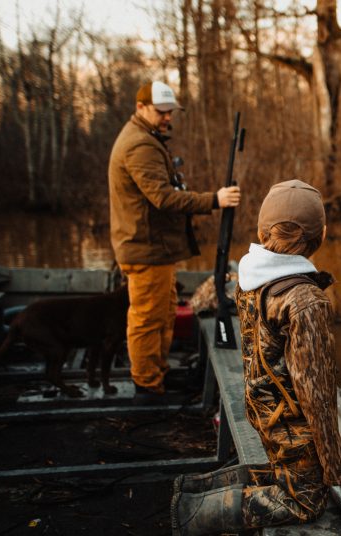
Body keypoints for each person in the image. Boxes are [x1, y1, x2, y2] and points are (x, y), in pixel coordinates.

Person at [171, 180, 341, 535]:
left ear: (262, 231)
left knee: (287, 475)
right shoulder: (306, 301)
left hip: (263, 414)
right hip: (291, 429)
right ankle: (194, 512)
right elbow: (315, 394)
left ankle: (195, 487)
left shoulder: (250, 275)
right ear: (320, 235)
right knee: (306, 501)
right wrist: (335, 465)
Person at [108, 81, 241, 401]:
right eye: (161, 111)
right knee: (147, 318)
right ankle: (147, 386)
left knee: (163, 312)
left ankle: (157, 376)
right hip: (146, 249)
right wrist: (214, 199)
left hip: (155, 249)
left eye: (171, 111)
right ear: (141, 108)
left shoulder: (147, 138)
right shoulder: (139, 145)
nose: (168, 117)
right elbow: (163, 198)